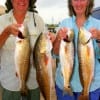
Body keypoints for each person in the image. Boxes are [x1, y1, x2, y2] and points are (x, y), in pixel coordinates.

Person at [53, 0, 100, 100]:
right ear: (71, 3)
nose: (78, 3)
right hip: (64, 84)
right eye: (75, 0)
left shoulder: (98, 24)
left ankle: (85, 93)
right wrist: (58, 38)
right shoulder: (64, 23)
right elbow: (55, 54)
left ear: (88, 2)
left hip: (92, 86)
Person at [0, 0, 45, 100]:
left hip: (33, 83)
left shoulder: (38, 20)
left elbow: (45, 45)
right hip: (9, 83)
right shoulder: (1, 20)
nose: (22, 1)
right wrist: (6, 32)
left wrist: (54, 38)